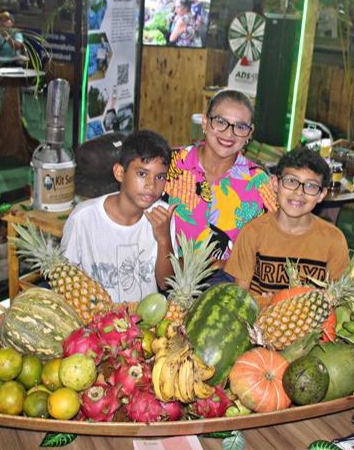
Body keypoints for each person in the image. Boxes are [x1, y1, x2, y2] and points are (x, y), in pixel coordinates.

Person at [164, 89, 276, 280]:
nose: (229, 134)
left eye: (240, 126)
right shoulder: (170, 164)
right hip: (165, 285)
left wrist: (228, 265)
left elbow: (272, 244)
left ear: (250, 133)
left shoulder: (258, 182)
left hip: (227, 293)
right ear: (205, 123)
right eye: (221, 122)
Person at [61, 130, 177, 303]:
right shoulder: (83, 218)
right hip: (94, 322)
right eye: (142, 174)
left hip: (144, 324)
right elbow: (63, 282)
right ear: (120, 173)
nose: (151, 185)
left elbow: (165, 283)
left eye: (160, 177)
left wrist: (164, 239)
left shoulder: (163, 216)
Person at [226, 147, 349, 305]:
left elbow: (338, 301)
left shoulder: (334, 240)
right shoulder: (252, 233)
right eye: (291, 181)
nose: (299, 192)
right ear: (275, 184)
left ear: (322, 194)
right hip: (258, 323)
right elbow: (238, 299)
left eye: (311, 186)